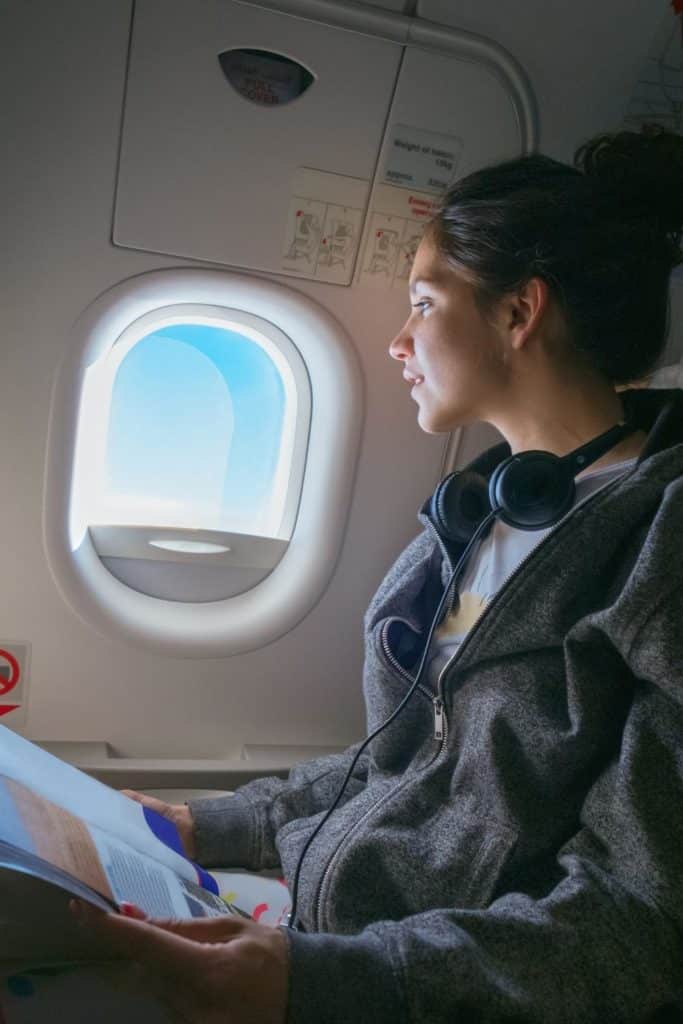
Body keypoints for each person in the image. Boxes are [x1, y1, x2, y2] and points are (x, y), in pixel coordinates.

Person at [71, 124, 683, 1023]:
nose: (398, 341)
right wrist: (207, 825)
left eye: (425, 304)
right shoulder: (478, 511)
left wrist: (326, 983)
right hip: (354, 951)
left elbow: (636, 921)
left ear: (519, 313)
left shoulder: (655, 548)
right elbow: (399, 760)